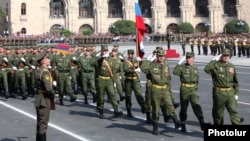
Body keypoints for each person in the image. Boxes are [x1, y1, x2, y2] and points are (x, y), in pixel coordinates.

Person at [141, 49, 181, 135]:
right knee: (156, 109)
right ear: (156, 56)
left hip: (165, 89)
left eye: (162, 56)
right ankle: (155, 127)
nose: (161, 58)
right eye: (159, 56)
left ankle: (176, 120)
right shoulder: (152, 66)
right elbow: (143, 68)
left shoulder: (165, 66)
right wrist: (148, 59)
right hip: (156, 90)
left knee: (170, 105)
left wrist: (169, 89)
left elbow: (168, 78)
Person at [204, 48, 244, 125]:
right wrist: (214, 60)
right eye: (224, 55)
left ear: (229, 56)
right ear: (221, 56)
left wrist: (236, 93)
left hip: (230, 92)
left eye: (227, 56)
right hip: (219, 93)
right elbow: (206, 69)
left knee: (234, 111)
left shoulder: (231, 66)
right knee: (218, 113)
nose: (226, 57)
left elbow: (235, 81)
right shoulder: (216, 65)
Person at [173, 52, 210, 132]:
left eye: (190, 58)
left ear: (193, 59)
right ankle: (182, 124)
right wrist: (179, 63)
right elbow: (175, 72)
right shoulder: (182, 67)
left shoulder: (195, 67)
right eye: (187, 58)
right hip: (185, 89)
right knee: (184, 108)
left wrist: (195, 88)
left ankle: (202, 123)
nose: (188, 59)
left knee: (197, 106)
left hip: (193, 90)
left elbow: (197, 80)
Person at [90, 45, 123, 119]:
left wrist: (115, 80)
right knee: (100, 97)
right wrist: (101, 58)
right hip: (101, 79)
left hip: (109, 80)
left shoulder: (110, 59)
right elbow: (92, 63)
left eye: (106, 51)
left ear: (108, 51)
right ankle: (101, 112)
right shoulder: (98, 59)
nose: (104, 52)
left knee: (112, 95)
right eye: (103, 51)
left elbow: (114, 70)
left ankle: (116, 111)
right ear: (101, 51)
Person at [34, 49, 55, 141]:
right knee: (43, 123)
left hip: (39, 98)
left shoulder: (39, 71)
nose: (49, 60)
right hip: (44, 99)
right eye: (47, 58)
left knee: (40, 122)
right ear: (43, 61)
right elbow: (48, 89)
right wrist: (53, 95)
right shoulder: (45, 72)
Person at [123, 49, 146, 117]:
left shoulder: (136, 61)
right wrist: (134, 70)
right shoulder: (126, 62)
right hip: (128, 81)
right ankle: (128, 110)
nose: (131, 55)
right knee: (128, 96)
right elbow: (126, 69)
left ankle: (143, 107)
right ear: (128, 54)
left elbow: (142, 66)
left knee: (139, 94)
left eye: (132, 54)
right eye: (130, 54)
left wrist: (141, 61)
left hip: (136, 80)